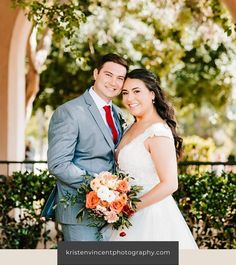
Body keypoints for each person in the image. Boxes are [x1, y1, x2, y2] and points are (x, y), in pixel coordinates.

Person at [102, 68, 198, 249]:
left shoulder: (158, 132)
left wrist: (130, 207)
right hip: (124, 212)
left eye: (137, 91)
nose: (130, 98)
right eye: (125, 93)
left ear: (152, 94)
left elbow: (170, 183)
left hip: (152, 215)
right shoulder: (131, 126)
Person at [47, 53, 129, 241]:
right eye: (108, 75)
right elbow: (58, 164)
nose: (114, 82)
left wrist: (115, 196)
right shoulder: (69, 112)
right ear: (95, 74)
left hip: (113, 213)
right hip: (79, 212)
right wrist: (101, 188)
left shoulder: (119, 114)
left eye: (120, 78)